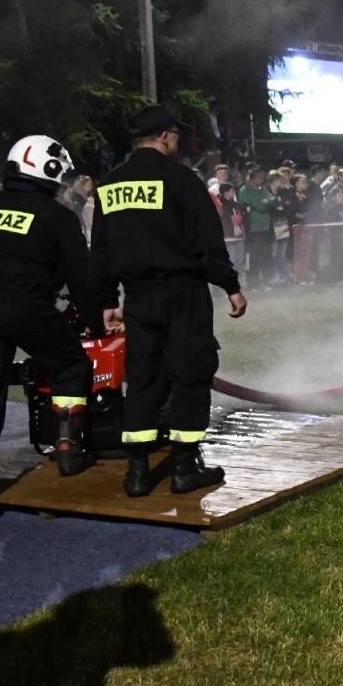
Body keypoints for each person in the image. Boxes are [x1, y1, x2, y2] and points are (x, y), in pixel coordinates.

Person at [92, 105, 247, 498]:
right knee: (190, 375)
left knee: (143, 379)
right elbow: (206, 241)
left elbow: (102, 249)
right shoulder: (181, 180)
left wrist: (109, 297)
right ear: (164, 136)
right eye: (176, 135)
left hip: (138, 299)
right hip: (184, 295)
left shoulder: (110, 185)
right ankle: (183, 469)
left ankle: (138, 473)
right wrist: (230, 285)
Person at [0, 136, 101, 528]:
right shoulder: (57, 215)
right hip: (25, 308)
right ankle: (68, 449)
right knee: (71, 366)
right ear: (49, 171)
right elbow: (80, 278)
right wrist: (97, 322)